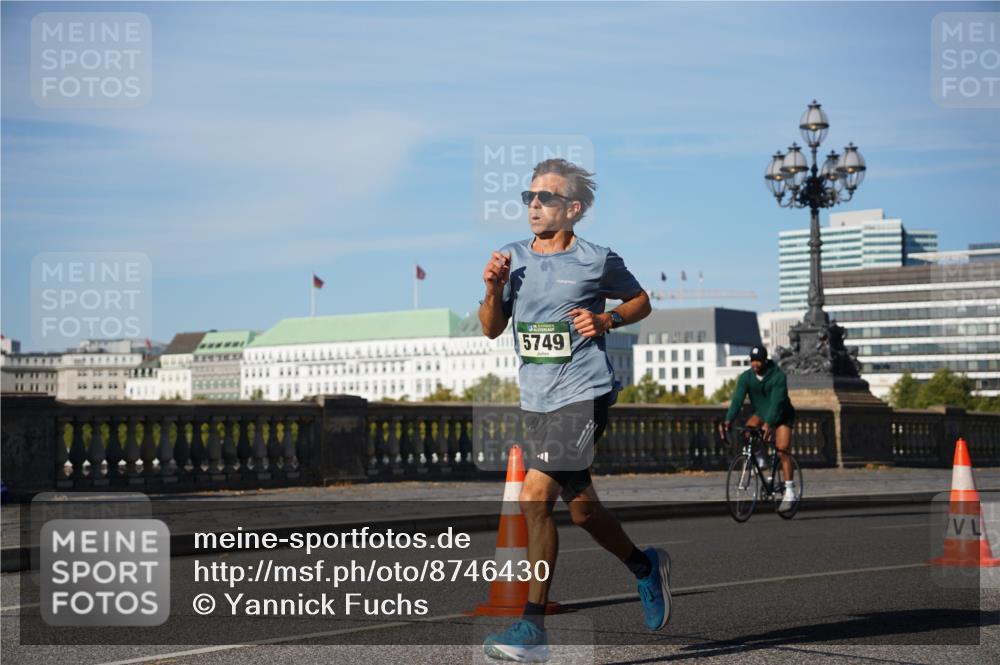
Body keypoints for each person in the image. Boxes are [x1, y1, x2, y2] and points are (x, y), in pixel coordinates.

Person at [479, 158, 671, 663]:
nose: (534, 205)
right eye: (529, 197)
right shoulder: (511, 257)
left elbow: (641, 302)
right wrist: (492, 289)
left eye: (545, 198)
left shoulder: (596, 259)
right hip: (537, 397)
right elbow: (491, 328)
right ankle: (644, 566)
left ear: (573, 208)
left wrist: (606, 318)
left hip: (585, 391)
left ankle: (532, 627)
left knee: (534, 498)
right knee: (583, 510)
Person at [722, 346, 798, 511]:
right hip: (762, 413)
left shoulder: (777, 376)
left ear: (765, 360)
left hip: (782, 414)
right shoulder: (746, 377)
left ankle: (790, 491)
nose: (755, 364)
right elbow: (737, 400)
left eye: (758, 360)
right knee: (748, 431)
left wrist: (768, 424)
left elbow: (777, 403)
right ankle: (760, 460)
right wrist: (728, 419)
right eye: (752, 360)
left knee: (782, 450)